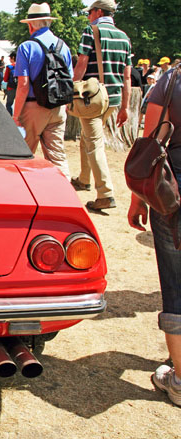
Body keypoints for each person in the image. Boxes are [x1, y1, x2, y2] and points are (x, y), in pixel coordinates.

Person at [128, 65, 181, 407]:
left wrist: (137, 199)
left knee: (176, 282)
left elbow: (149, 142)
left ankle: (178, 379)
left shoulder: (172, 79)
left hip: (172, 192)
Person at [70, 0, 132, 210]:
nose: (88, 16)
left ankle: (105, 193)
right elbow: (127, 76)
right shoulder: (124, 37)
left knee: (94, 142)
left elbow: (82, 63)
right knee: (87, 137)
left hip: (93, 97)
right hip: (113, 99)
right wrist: (125, 107)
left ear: (98, 12)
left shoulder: (92, 31)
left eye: (90, 13)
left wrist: (70, 90)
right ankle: (84, 179)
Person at [12, 2, 73, 180]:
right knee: (57, 155)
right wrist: (66, 106)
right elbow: (69, 80)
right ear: (48, 22)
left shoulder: (27, 47)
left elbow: (23, 85)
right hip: (58, 107)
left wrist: (16, 115)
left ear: (31, 25)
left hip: (33, 107)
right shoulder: (64, 47)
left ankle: (22, 192)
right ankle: (63, 192)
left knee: (24, 153)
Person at [3, 51, 17, 115]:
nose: (9, 59)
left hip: (11, 88)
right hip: (20, 88)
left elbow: (5, 79)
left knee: (9, 104)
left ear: (13, 57)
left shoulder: (9, 67)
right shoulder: (22, 66)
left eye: (10, 58)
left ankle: (10, 118)